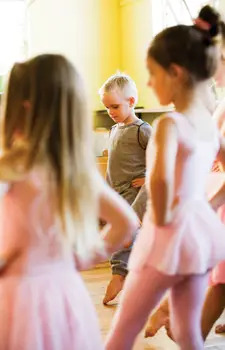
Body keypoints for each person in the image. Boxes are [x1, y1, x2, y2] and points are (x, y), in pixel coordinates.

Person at [105, 5, 225, 350]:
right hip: (201, 236)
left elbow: (158, 182)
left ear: (174, 73)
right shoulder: (206, 123)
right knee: (188, 332)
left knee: (124, 328)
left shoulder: (168, 124)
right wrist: (209, 203)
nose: (147, 82)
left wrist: (162, 222)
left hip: (168, 237)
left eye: (152, 73)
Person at [0, 54, 139, 350]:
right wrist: (83, 258)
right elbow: (126, 222)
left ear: (25, 109)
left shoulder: (10, 167)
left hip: (19, 294)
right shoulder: (74, 170)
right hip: (63, 289)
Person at [145, 7, 225, 341]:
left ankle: (184, 324)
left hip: (212, 202)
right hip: (210, 202)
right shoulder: (210, 109)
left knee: (211, 270)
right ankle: (186, 325)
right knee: (211, 270)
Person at [99, 73, 152, 304]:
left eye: (115, 106)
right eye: (107, 107)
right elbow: (114, 163)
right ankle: (136, 277)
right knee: (121, 233)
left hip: (135, 191)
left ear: (131, 102)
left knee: (126, 234)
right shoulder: (114, 130)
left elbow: (160, 158)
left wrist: (148, 177)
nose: (110, 111)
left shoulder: (142, 130)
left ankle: (118, 274)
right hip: (116, 192)